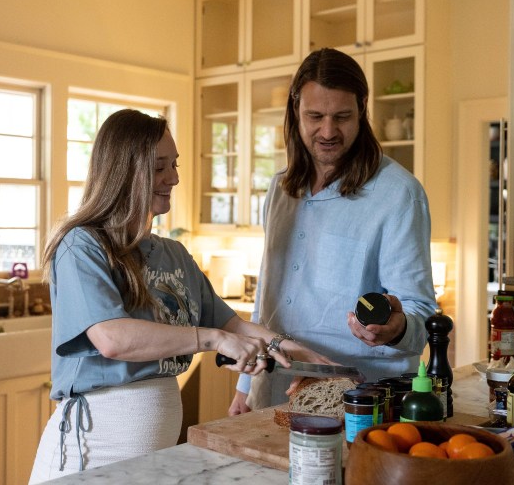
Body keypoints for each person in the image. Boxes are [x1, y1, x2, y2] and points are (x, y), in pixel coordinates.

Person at [29, 109, 329, 482]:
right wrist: (216, 340)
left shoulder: (174, 255)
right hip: (89, 452)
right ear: (123, 173)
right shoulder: (81, 246)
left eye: (174, 165)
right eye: (158, 167)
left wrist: (290, 348)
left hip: (153, 456)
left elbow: (231, 322)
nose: (173, 178)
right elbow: (112, 339)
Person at [230, 48, 438, 415]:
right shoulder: (280, 188)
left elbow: (421, 310)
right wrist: (245, 387)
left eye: (342, 117)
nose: (328, 131)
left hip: (359, 403)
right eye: (315, 116)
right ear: (296, 112)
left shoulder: (398, 194)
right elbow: (266, 296)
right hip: (272, 391)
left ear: (363, 112)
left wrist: (397, 327)